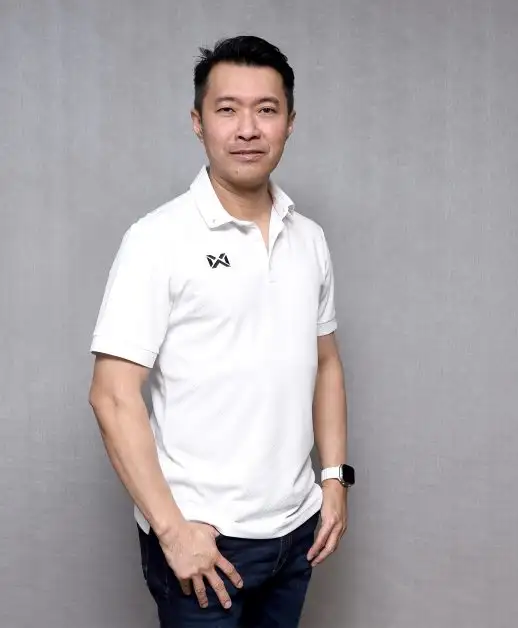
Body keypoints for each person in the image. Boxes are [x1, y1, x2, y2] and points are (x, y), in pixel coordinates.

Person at [87, 35, 355, 627]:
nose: (248, 129)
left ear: (289, 122)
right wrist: (172, 531)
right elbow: (111, 395)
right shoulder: (157, 239)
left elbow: (326, 362)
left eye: (267, 109)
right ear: (198, 121)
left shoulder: (308, 238)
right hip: (205, 540)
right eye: (227, 109)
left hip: (296, 532)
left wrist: (334, 479)